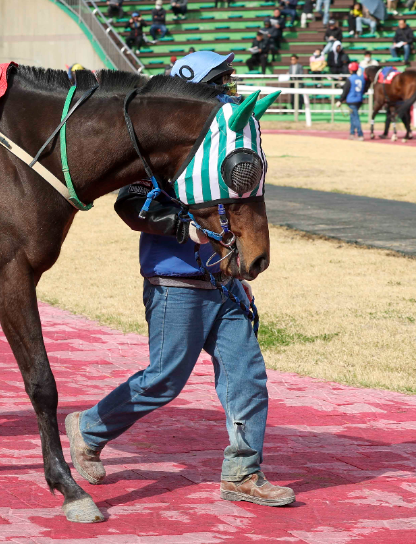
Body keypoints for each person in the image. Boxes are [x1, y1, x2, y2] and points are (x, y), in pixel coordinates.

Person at [65, 50, 295, 509]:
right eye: (220, 81)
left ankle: (242, 474)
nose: (228, 90)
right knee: (164, 380)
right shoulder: (155, 148)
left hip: (223, 283)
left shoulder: (225, 144)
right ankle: (88, 429)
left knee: (247, 375)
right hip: (174, 284)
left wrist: (238, 270)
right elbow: (128, 207)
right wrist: (182, 226)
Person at [337, 62, 365, 140]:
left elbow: (345, 91)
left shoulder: (350, 79)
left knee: (355, 118)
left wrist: (340, 100)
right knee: (352, 117)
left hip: (352, 100)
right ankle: (352, 133)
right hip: (359, 100)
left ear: (350, 70)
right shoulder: (361, 79)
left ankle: (360, 134)